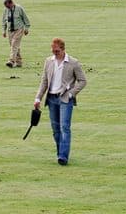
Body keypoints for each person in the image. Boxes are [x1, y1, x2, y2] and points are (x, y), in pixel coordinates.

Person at [32, 37, 87, 165]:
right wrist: (38, 98)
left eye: (56, 51)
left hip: (64, 99)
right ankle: (60, 152)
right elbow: (44, 81)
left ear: (63, 49)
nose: (54, 54)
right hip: (51, 99)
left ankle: (63, 156)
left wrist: (71, 94)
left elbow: (83, 81)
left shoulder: (73, 62)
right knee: (56, 128)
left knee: (64, 127)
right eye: (53, 51)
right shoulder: (48, 62)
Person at [2, 0, 30, 67]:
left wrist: (26, 28)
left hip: (19, 29)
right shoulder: (6, 10)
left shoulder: (19, 8)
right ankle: (19, 62)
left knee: (14, 44)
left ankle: (11, 61)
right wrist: (4, 31)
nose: (7, 8)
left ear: (12, 3)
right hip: (10, 31)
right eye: (6, 7)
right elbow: (4, 21)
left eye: (8, 6)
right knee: (14, 46)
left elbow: (25, 19)